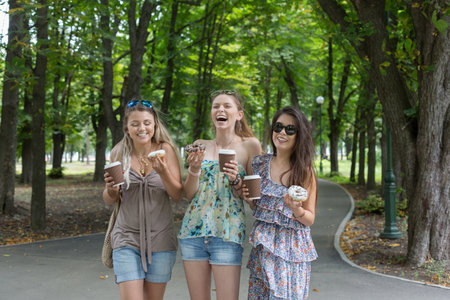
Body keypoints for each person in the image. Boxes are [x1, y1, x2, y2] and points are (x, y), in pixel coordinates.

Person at [178, 90, 262, 300]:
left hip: (227, 234)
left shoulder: (250, 145)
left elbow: (255, 201)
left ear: (239, 114)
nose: (220, 110)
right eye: (216, 106)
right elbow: (189, 194)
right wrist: (194, 169)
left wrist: (236, 180)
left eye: (226, 106)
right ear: (212, 115)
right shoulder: (200, 144)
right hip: (193, 233)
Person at [103, 99, 182, 300]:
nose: (142, 128)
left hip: (161, 240)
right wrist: (111, 189)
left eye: (146, 122)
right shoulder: (119, 153)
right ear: (127, 127)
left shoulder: (166, 150)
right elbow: (110, 199)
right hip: (126, 238)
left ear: (154, 124)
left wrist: (163, 172)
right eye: (135, 124)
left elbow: (177, 194)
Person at [242, 106, 318, 299]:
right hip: (264, 246)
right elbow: (258, 207)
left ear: (299, 135)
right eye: (278, 127)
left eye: (290, 129)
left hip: (293, 251)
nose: (282, 132)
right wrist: (249, 199)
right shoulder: (258, 164)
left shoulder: (304, 171)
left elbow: (309, 219)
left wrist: (296, 210)